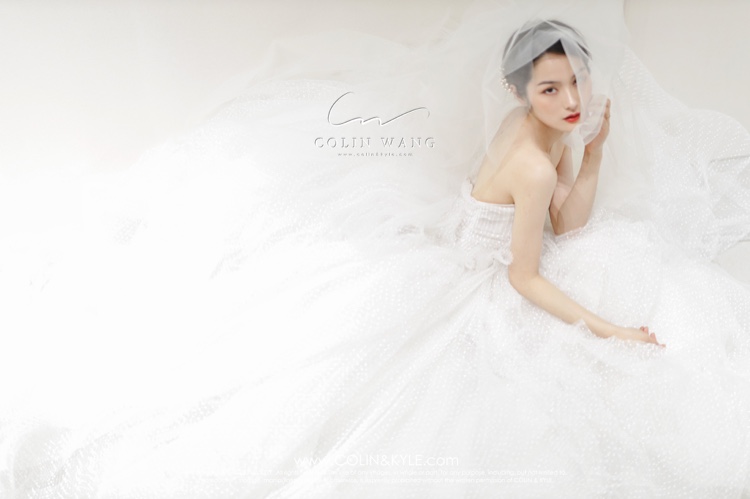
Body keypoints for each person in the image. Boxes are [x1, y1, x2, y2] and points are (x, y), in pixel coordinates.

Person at [1, 1, 750, 498]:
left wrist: (593, 153)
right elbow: (526, 273)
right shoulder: (528, 155)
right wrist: (608, 329)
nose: (571, 100)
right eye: (550, 89)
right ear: (519, 92)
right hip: (487, 274)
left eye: (576, 80)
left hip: (496, 239)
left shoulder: (551, 130)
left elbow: (567, 221)